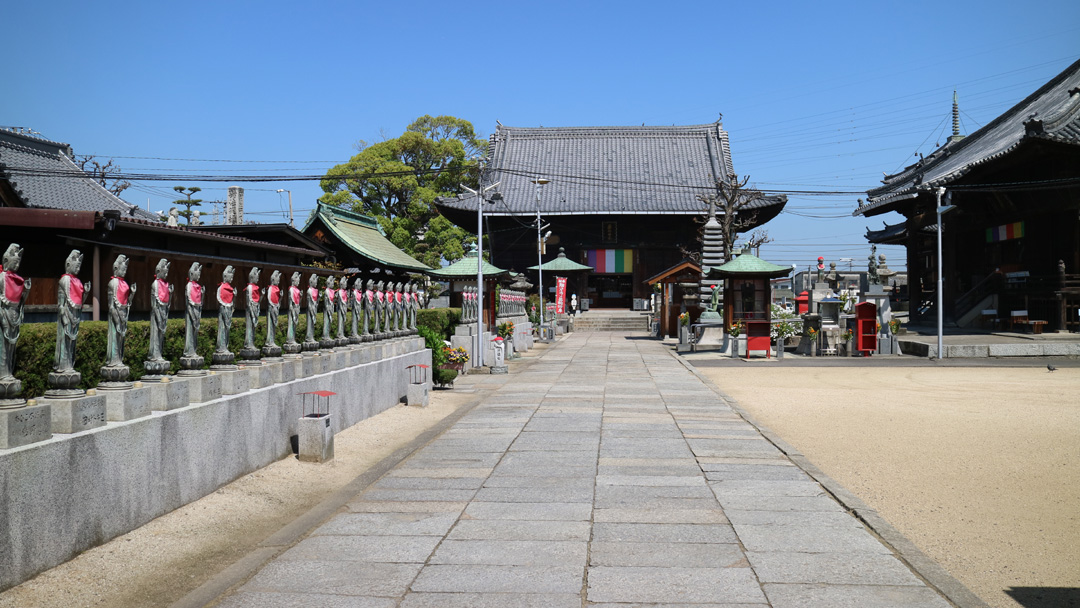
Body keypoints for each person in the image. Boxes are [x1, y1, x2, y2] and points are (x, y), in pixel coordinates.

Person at [0, 244, 31, 382]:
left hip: (14, 313)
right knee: (3, 346)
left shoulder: (18, 279)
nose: (17, 265)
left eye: (18, 263)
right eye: (15, 262)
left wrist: (27, 290)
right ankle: (2, 374)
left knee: (11, 348)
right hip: (3, 313)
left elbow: (21, 300)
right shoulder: (2, 277)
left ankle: (8, 372)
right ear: (6, 261)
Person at [54, 250, 88, 373]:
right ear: (68, 265)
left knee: (72, 342)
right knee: (65, 339)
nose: (78, 269)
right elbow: (61, 304)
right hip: (67, 314)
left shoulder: (78, 282)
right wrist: (63, 316)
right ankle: (63, 366)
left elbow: (80, 302)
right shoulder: (65, 280)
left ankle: (69, 365)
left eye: (79, 266)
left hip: (75, 314)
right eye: (76, 266)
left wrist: (86, 293)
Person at [105, 255, 136, 368]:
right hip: (115, 315)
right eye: (123, 270)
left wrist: (132, 293)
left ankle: (119, 359)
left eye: (125, 270)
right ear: (116, 269)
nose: (124, 272)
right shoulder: (112, 283)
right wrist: (117, 321)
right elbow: (111, 306)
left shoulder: (125, 284)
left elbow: (128, 302)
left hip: (123, 313)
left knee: (121, 340)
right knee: (115, 337)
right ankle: (113, 360)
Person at [147, 258, 173, 363]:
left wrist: (170, 293)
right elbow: (154, 305)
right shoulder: (155, 284)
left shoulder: (166, 285)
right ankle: (155, 354)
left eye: (167, 272)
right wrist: (158, 317)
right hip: (157, 313)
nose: (166, 275)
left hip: (163, 311)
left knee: (161, 335)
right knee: (156, 333)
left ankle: (159, 354)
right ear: (159, 271)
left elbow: (168, 303)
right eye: (164, 272)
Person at [183, 262, 203, 358]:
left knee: (195, 332)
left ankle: (194, 350)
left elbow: (200, 302)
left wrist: (203, 294)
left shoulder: (198, 286)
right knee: (190, 331)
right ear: (191, 274)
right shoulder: (189, 285)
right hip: (191, 311)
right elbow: (188, 303)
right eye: (197, 274)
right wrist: (193, 316)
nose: (199, 276)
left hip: (197, 310)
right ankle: (189, 351)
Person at [216, 266, 236, 355]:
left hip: (228, 310)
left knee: (227, 329)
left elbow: (233, 304)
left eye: (232, 277)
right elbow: (220, 299)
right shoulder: (221, 288)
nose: (232, 279)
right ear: (225, 276)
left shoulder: (231, 289)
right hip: (223, 310)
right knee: (222, 328)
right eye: (230, 276)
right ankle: (221, 347)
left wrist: (235, 296)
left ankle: (225, 347)